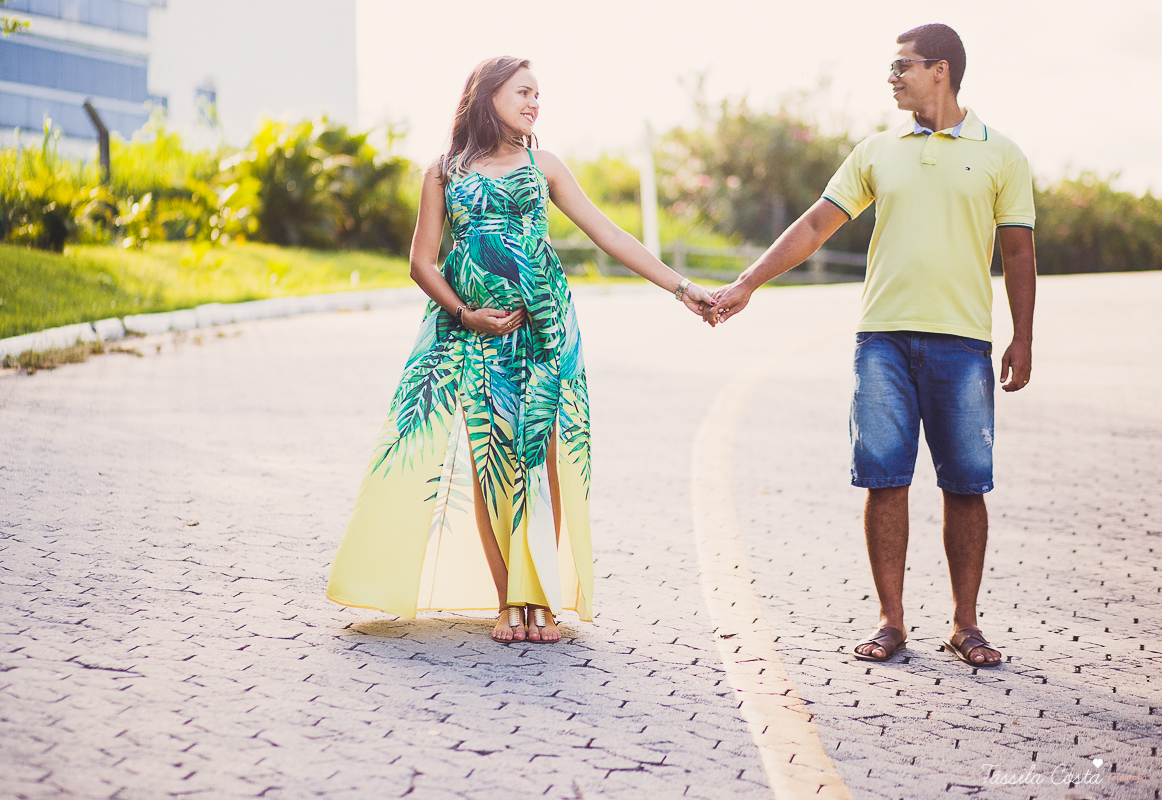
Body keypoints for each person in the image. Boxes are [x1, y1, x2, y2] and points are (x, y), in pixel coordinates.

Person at [327, 56, 713, 644]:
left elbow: (608, 234)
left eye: (539, 95)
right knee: (491, 463)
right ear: (487, 96)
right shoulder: (444, 171)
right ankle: (509, 600)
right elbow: (421, 261)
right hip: (472, 336)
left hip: (546, 331)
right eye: (523, 92)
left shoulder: (544, 165)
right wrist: (465, 315)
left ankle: (542, 601)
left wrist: (681, 288)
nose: (535, 103)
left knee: (542, 461)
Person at [706, 24, 1036, 667]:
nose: (892, 76)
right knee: (884, 479)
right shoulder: (876, 150)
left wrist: (1023, 336)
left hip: (964, 343)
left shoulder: (1003, 155)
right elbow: (815, 224)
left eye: (901, 66)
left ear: (939, 70)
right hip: (881, 340)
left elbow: (1020, 250)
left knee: (966, 485)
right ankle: (891, 622)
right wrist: (748, 283)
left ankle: (965, 625)